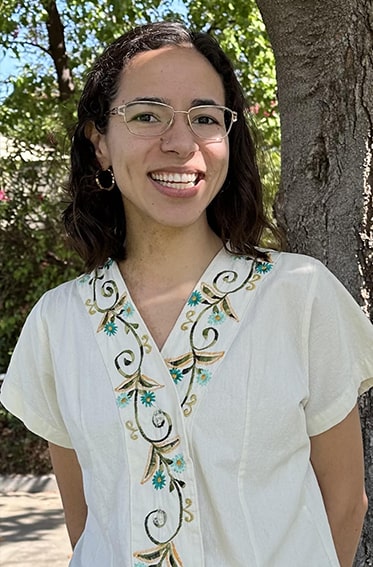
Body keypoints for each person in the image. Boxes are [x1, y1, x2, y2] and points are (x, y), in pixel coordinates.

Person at [1, 20, 372, 567]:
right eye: (147, 115)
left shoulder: (301, 296)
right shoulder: (58, 324)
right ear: (100, 141)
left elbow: (344, 505)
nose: (180, 143)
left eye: (203, 117)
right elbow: (88, 523)